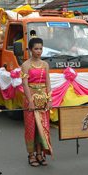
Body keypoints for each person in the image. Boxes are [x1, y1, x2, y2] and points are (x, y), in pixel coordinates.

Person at [21, 37, 53, 167]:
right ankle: (31, 155)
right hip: (31, 100)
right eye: (36, 49)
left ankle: (40, 154)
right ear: (30, 50)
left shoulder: (45, 65)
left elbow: (48, 82)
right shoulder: (25, 65)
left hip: (43, 100)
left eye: (40, 48)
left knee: (43, 127)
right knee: (31, 128)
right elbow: (25, 84)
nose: (39, 51)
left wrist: (49, 99)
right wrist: (30, 101)